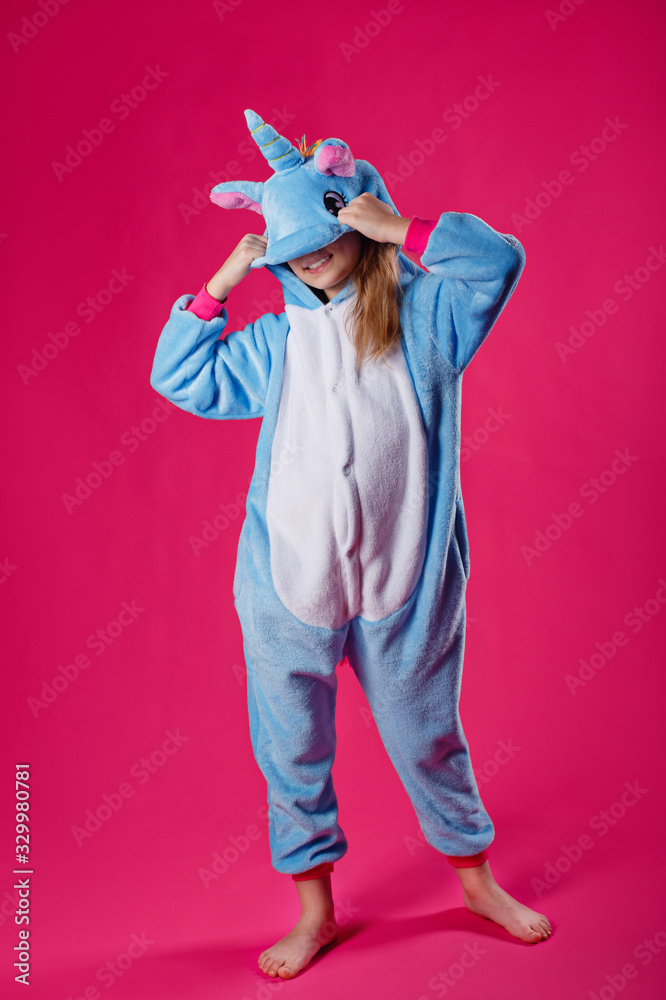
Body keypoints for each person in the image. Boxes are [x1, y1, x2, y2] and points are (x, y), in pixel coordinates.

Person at [150, 109, 552, 980]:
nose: (307, 255)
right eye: (288, 246)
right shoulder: (273, 343)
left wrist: (397, 226)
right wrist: (222, 280)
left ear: (351, 218)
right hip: (287, 582)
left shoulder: (425, 319)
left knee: (426, 733)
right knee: (290, 746)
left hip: (404, 579)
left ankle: (474, 878)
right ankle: (314, 910)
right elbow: (179, 375)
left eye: (320, 233)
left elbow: (498, 262)